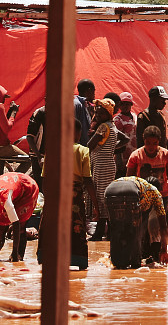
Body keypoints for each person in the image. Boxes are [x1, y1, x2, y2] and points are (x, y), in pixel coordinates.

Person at [40, 118, 98, 270]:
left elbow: (45, 179)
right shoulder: (83, 151)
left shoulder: (52, 149)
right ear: (78, 134)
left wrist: (48, 200)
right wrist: (96, 204)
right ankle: (77, 260)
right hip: (74, 196)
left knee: (52, 226)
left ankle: (49, 258)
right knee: (76, 227)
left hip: (55, 194)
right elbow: (87, 180)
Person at [105, 176, 168, 267]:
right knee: (135, 230)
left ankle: (116, 261)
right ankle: (134, 262)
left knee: (116, 228)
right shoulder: (155, 193)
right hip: (131, 192)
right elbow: (163, 226)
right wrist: (164, 250)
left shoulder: (140, 183)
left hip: (110, 190)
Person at [0, 171, 40, 261]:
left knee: (21, 225)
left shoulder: (4, 198)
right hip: (13, 186)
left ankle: (19, 256)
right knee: (1, 228)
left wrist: (14, 252)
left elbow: (16, 224)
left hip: (28, 187)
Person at [87, 98, 122, 241]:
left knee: (101, 197)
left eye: (101, 114)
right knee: (105, 196)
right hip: (107, 164)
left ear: (108, 114)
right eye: (96, 113)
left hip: (102, 165)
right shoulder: (112, 126)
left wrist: (93, 128)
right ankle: (109, 232)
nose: (97, 116)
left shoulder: (103, 128)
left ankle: (100, 231)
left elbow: (90, 144)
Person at [126, 126, 168, 215]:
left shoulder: (166, 155)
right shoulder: (135, 156)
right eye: (148, 143)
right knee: (144, 226)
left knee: (160, 225)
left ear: (159, 141)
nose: (151, 146)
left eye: (155, 143)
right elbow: (129, 181)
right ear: (144, 140)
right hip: (142, 197)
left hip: (162, 196)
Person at [113, 92, 137, 177]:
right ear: (119, 105)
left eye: (127, 104)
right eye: (123, 104)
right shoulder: (117, 120)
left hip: (134, 152)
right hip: (123, 154)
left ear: (131, 104)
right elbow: (116, 140)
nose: (125, 106)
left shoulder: (134, 116)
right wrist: (118, 159)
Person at [25, 105, 46, 189]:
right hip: (39, 155)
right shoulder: (40, 114)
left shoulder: (59, 112)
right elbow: (29, 137)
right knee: (40, 186)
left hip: (53, 156)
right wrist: (38, 156)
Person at [74, 79, 96, 146]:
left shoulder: (84, 104)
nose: (94, 94)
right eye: (94, 91)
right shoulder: (76, 104)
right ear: (89, 90)